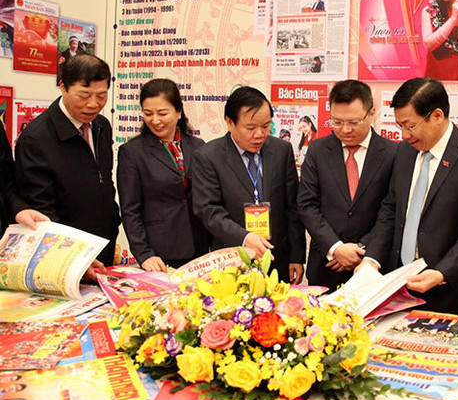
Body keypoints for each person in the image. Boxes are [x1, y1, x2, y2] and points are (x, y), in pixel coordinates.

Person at [359, 78, 458, 315]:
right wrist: (371, 260)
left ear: (437, 116)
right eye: (400, 126)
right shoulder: (404, 152)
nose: (404, 135)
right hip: (400, 287)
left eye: (410, 126)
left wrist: (442, 272)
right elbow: (391, 210)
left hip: (451, 293)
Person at [191, 86, 305, 284]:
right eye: (250, 128)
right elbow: (208, 210)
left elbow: (292, 207)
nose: (259, 134)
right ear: (230, 122)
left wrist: (296, 256)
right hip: (231, 259)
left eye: (266, 126)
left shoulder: (281, 150)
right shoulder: (208, 157)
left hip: (276, 258)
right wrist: (244, 237)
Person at [15, 55, 120, 266]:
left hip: (103, 246)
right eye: (84, 95)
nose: (93, 104)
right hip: (64, 258)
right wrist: (73, 258)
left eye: (101, 96)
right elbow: (42, 211)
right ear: (63, 87)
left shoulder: (101, 126)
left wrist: (112, 222)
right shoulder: (37, 138)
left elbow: (104, 182)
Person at [298, 80, 397, 289]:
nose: (345, 129)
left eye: (353, 122)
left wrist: (361, 250)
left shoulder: (393, 153)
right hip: (326, 267)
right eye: (337, 122)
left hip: (373, 267)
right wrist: (336, 248)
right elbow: (307, 205)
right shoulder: (317, 151)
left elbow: (392, 211)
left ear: (371, 114)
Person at [117, 79, 210, 271]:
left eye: (162, 113)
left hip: (200, 247)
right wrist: (144, 254)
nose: (155, 120)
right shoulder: (133, 152)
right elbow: (130, 210)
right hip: (159, 253)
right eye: (148, 113)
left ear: (178, 111)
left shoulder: (198, 146)